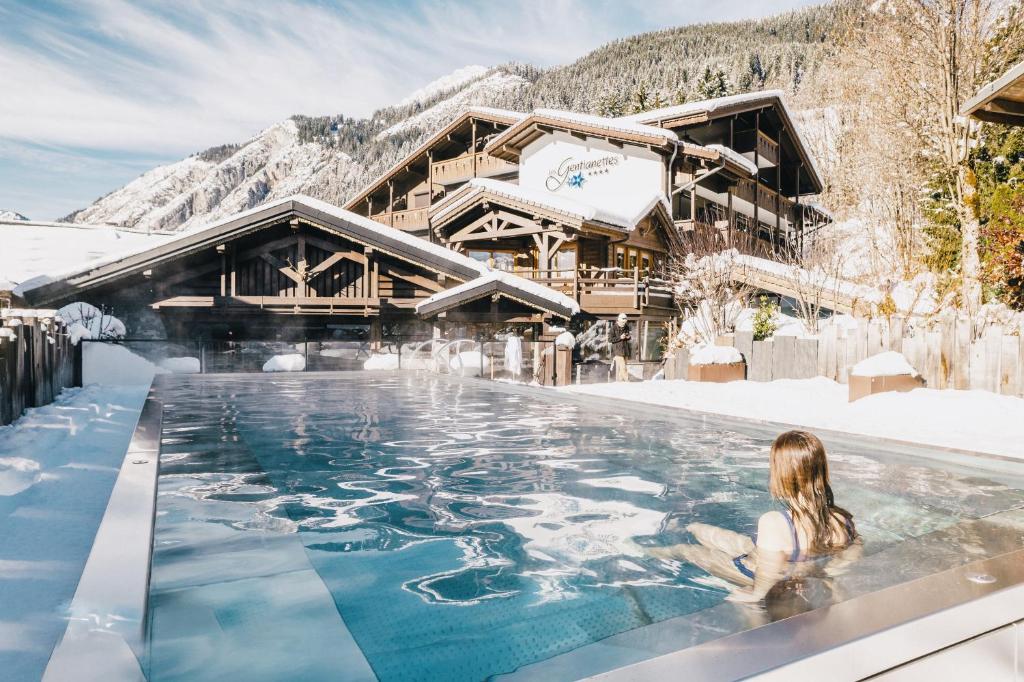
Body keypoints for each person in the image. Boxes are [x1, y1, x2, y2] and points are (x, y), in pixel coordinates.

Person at [649, 430, 859, 603]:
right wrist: (827, 573)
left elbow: (768, 571)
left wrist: (756, 594)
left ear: (782, 475)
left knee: (689, 551)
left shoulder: (774, 522)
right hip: (794, 563)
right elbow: (853, 550)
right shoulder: (841, 519)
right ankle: (694, 527)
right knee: (719, 536)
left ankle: (643, 551)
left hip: (763, 574)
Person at [610, 313, 631, 382]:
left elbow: (628, 336)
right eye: (622, 322)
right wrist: (620, 337)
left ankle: (620, 381)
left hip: (625, 349)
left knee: (624, 366)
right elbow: (610, 339)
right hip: (617, 350)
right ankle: (627, 380)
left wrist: (628, 337)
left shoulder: (626, 327)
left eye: (624, 323)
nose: (623, 324)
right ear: (618, 321)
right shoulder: (613, 328)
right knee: (623, 367)